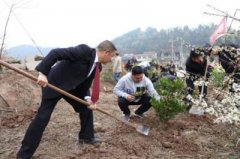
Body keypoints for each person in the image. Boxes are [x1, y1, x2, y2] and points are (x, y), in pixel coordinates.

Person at [17, 40, 117, 159]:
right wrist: (43, 73)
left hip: (71, 88)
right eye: (112, 56)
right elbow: (55, 53)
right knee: (42, 117)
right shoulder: (84, 51)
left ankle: (86, 136)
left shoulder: (97, 67)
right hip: (54, 83)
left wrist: (88, 99)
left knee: (86, 107)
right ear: (106, 52)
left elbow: (85, 85)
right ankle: (24, 155)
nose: (111, 59)